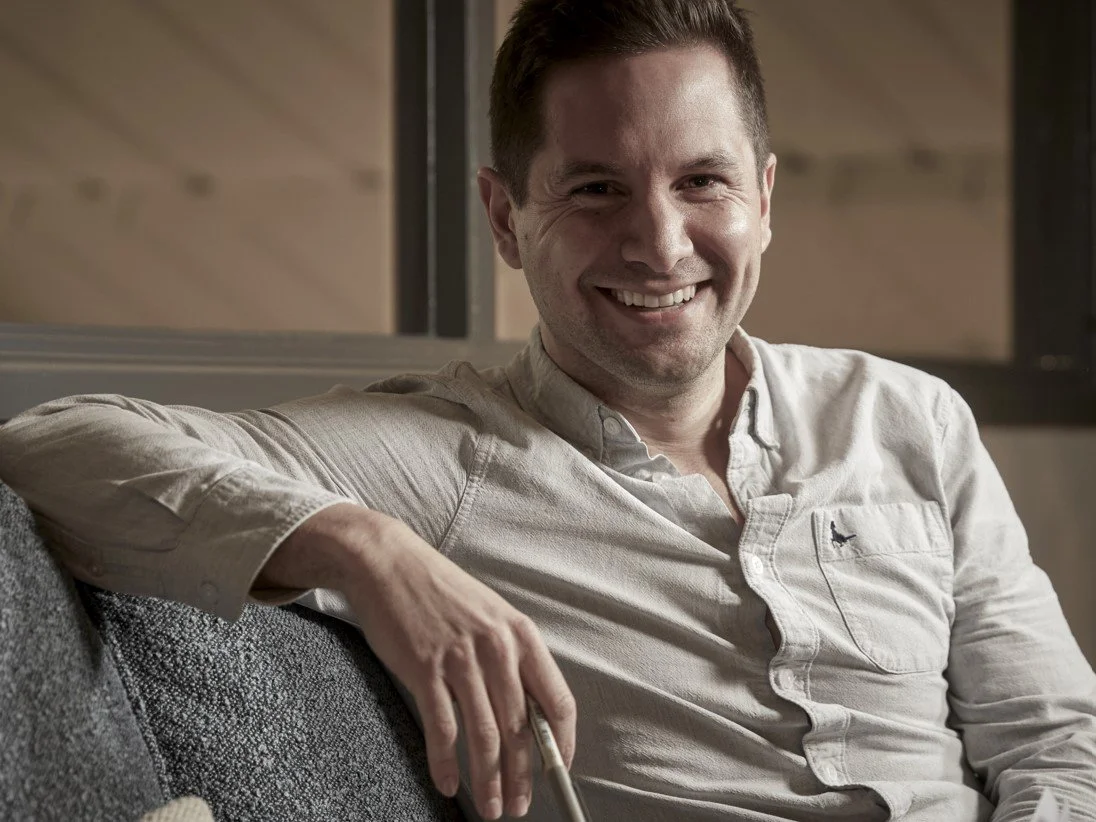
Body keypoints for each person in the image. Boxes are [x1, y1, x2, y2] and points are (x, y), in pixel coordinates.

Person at [1, 1, 1094, 819]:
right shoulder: (441, 460)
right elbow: (49, 445)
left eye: (701, 182)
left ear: (763, 199)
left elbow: (1054, 741)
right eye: (596, 188)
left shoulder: (909, 418)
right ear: (504, 218)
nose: (659, 244)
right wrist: (367, 551)